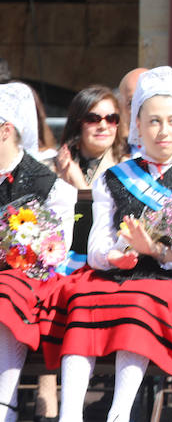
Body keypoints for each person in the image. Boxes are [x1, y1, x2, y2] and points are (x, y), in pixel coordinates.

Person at [42, 66, 172, 422]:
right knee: (83, 297)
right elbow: (98, 244)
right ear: (137, 125)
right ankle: (69, 414)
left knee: (139, 301)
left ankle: (120, 414)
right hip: (120, 274)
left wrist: (158, 251)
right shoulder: (114, 179)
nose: (164, 131)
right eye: (154, 121)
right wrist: (113, 256)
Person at [0, 84, 77, 422]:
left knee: (6, 292)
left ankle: (5, 404)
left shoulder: (50, 186)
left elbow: (55, 252)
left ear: (5, 130)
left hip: (34, 280)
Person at [54, 85, 128, 190]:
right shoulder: (51, 168)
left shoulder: (128, 169)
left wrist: (79, 184)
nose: (103, 126)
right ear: (77, 123)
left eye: (111, 118)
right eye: (93, 119)